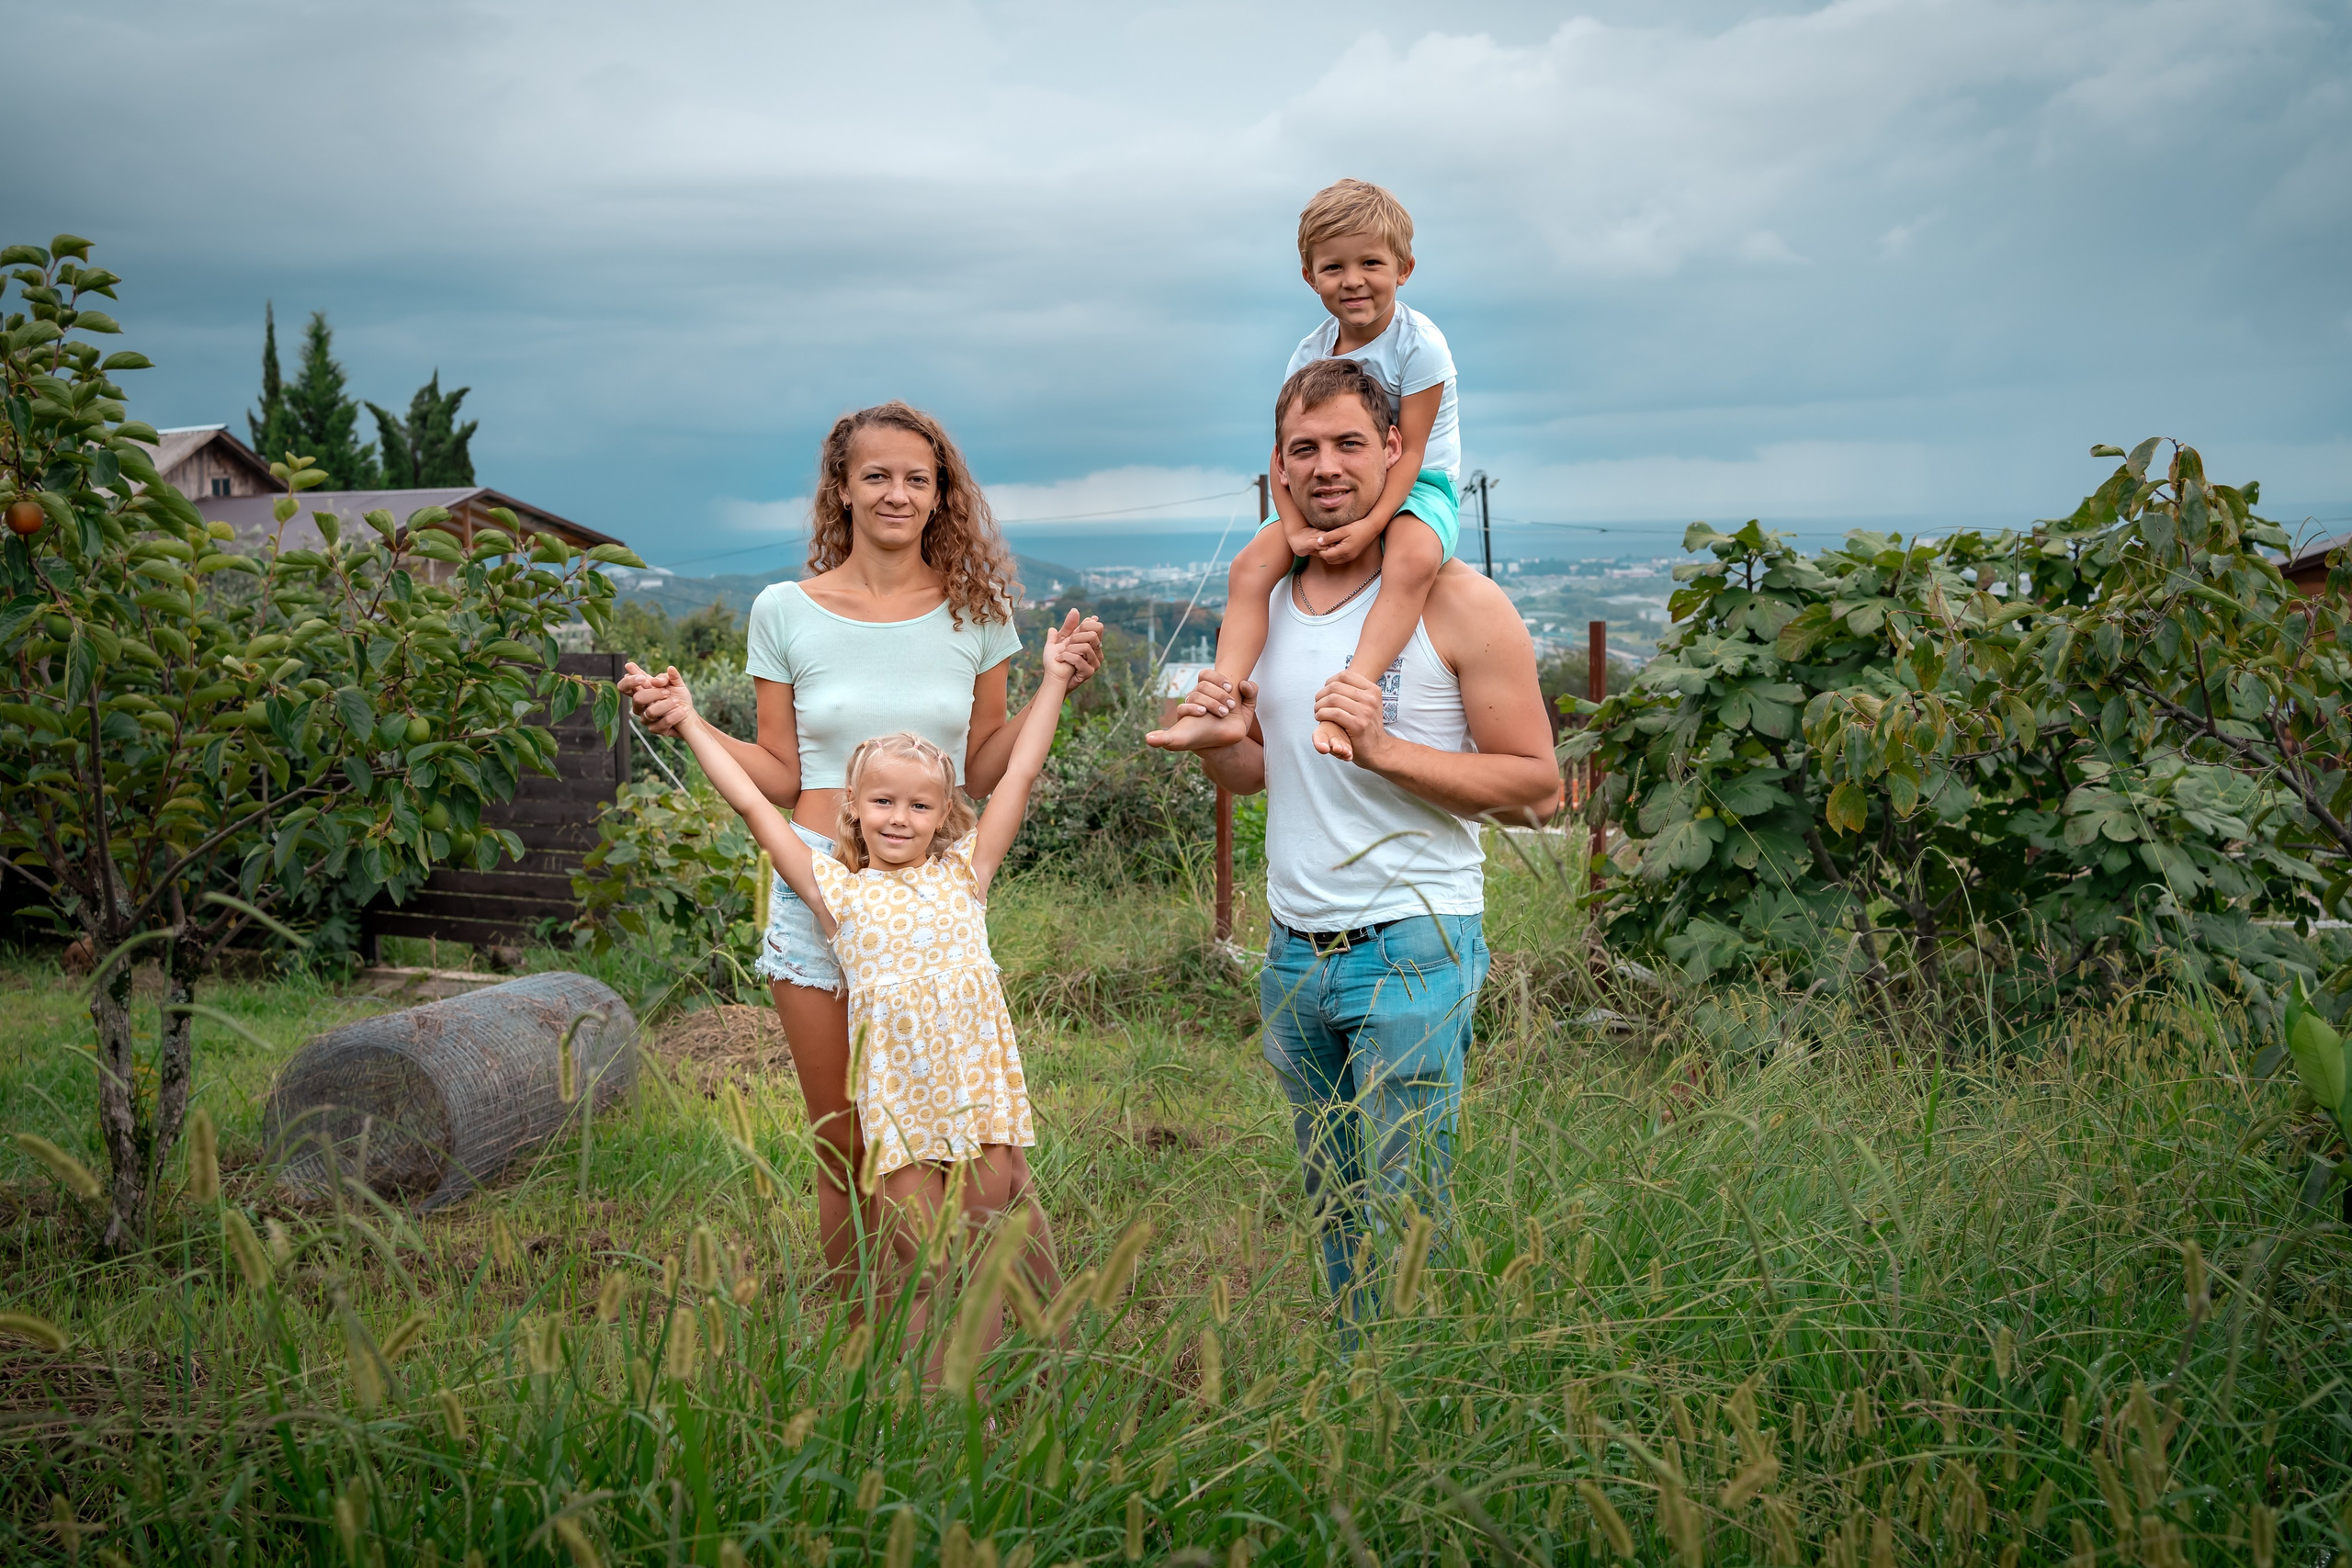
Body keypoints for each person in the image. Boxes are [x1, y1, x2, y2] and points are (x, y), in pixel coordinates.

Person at [620, 401, 1104, 1289]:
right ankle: (859, 1341)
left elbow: (989, 768)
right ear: (841, 489)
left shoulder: (978, 610)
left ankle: (953, 1323)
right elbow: (774, 769)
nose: (896, 492)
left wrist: (1055, 684)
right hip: (819, 891)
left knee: (944, 1135)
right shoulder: (784, 611)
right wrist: (684, 719)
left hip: (927, 909)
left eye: (917, 478)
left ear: (940, 495)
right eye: (876, 475)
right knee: (844, 1139)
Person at [1162, 356, 1558, 1330]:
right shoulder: (1273, 599)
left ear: (1395, 450)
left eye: (1348, 443)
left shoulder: (1458, 602)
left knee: (1411, 1212)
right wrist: (1220, 748)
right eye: (1305, 448)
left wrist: (1385, 750)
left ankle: (1421, 1411)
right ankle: (1356, 1398)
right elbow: (1259, 774)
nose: (1326, 466)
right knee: (1335, 1212)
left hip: (1413, 945)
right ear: (1279, 467)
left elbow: (1537, 791)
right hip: (1293, 952)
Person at [656, 620, 1080, 1359]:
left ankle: (980, 1395)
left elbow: (1017, 775)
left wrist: (1053, 681)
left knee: (981, 1257)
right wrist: (692, 722)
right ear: (853, 805)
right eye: (883, 802)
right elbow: (757, 808)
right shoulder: (837, 895)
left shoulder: (966, 875)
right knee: (921, 1267)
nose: (900, 818)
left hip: (977, 1100)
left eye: (920, 806)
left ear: (945, 815)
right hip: (900, 1112)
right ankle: (918, 1407)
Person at [1148, 177, 1462, 763]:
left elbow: (1413, 450)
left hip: (1419, 486)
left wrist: (1370, 529)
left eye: (1371, 262)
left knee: (1413, 559)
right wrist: (1292, 528)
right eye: (1333, 267)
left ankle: (1351, 701)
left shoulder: (1421, 345)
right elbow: (1283, 453)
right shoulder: (1308, 353)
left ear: (1405, 268)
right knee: (1248, 568)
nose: (1352, 281)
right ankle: (1220, 704)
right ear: (1308, 276)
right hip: (1324, 487)